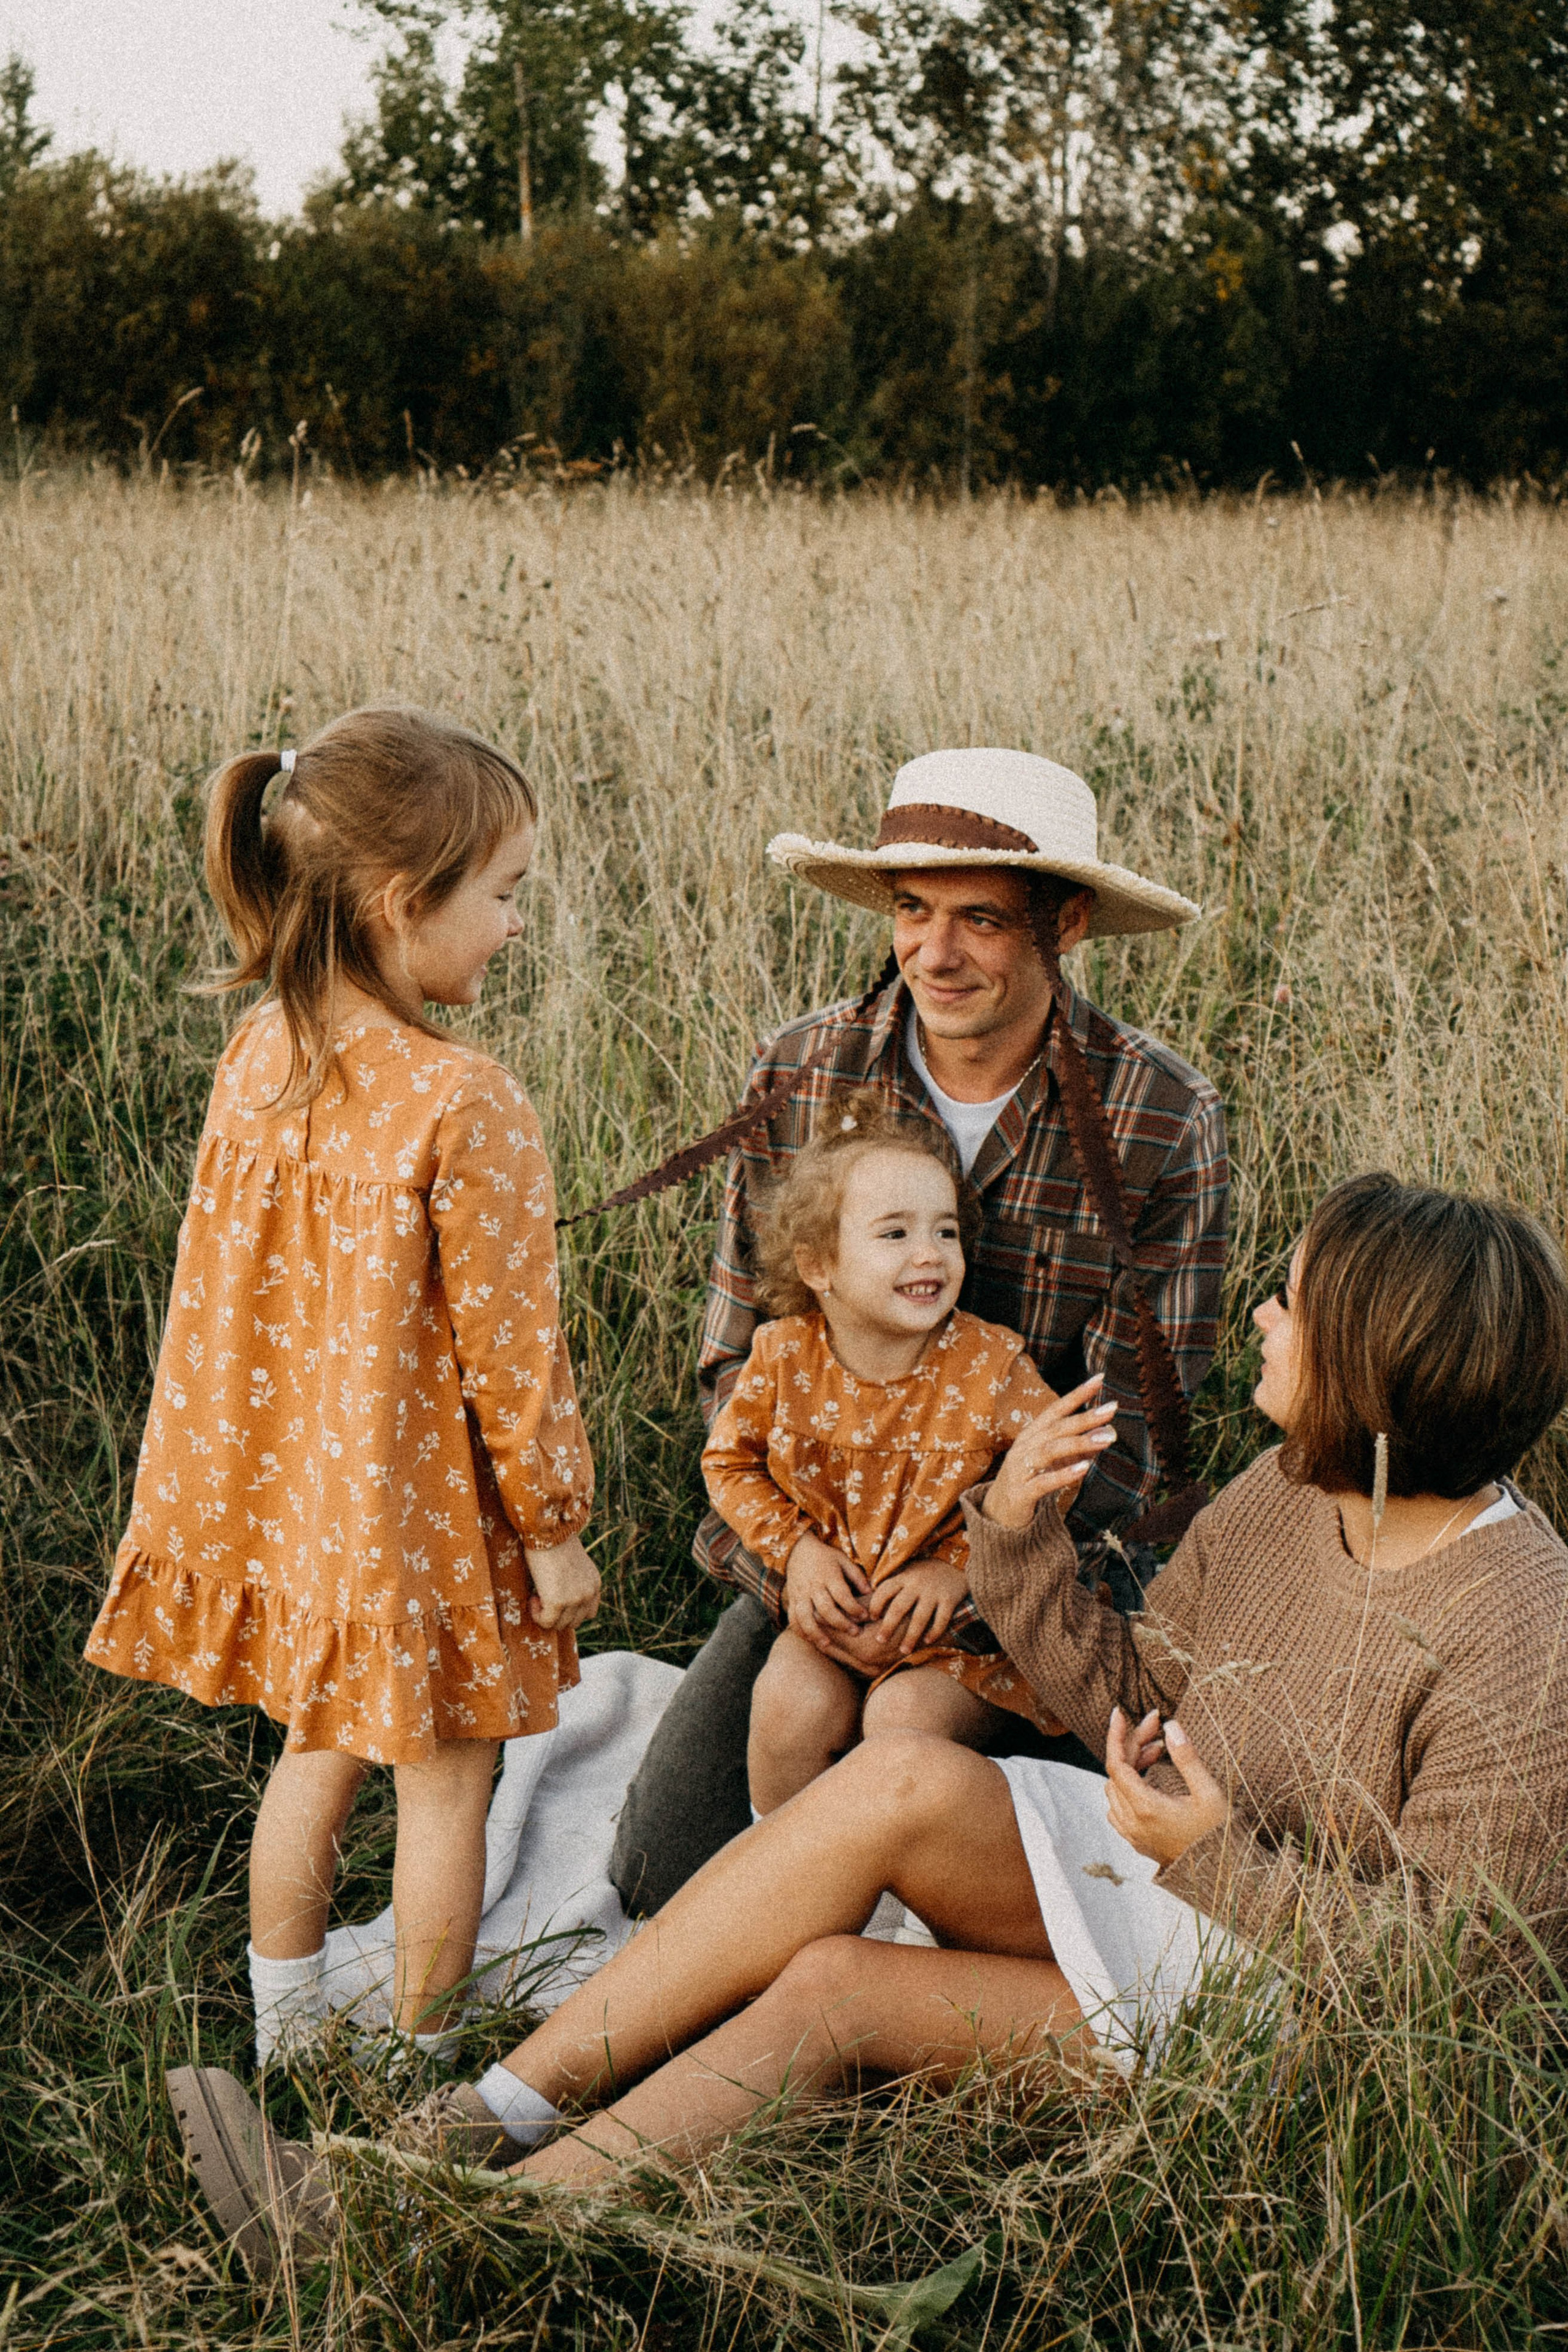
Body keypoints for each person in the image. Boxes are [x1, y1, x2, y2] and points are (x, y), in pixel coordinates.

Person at [168, 1172, 1568, 2258]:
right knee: (896, 1771)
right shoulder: (1284, 1491)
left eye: (1292, 1302)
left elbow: (1457, 1981)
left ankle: (432, 2231)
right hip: (1180, 1879)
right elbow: (1136, 1704)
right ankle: (460, 2130)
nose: (1264, 1317)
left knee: (841, 1988)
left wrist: (1209, 1854)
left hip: (1284, 2015)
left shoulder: (1517, 1626)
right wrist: (1016, 1537)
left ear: (1378, 1355)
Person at [611, 745, 1227, 1912]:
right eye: (912, 909)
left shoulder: (1160, 1118)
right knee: (657, 1874)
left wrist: (973, 1572)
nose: (935, 954)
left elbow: (1131, 1436)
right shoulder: (801, 1071)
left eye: (982, 919)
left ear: (1068, 925)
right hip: (829, 1556)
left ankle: (906, 1896)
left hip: (1030, 1588)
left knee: (996, 1829)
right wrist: (793, 1565)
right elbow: (736, 1365)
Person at [86, 707, 600, 2066]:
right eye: (500, 894)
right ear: (397, 902)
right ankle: (429, 2072)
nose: (512, 925)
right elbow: (512, 1351)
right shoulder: (461, 1098)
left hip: (301, 1506)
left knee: (312, 1759)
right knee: (447, 1794)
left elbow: (227, 1301)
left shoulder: (261, 1053)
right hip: (423, 1521)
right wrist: (551, 1530)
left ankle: (291, 2039)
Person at [704, 1088, 1116, 1813]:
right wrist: (797, 1553)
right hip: (837, 1613)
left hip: (955, 1637)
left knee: (902, 1724)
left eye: (946, 1232)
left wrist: (958, 1570)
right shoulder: (782, 1357)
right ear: (819, 1265)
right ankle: (785, 1880)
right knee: (787, 1703)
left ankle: (909, 1892)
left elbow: (1055, 1475)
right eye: (894, 1234)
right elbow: (728, 1464)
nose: (930, 1254)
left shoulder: (988, 1367)